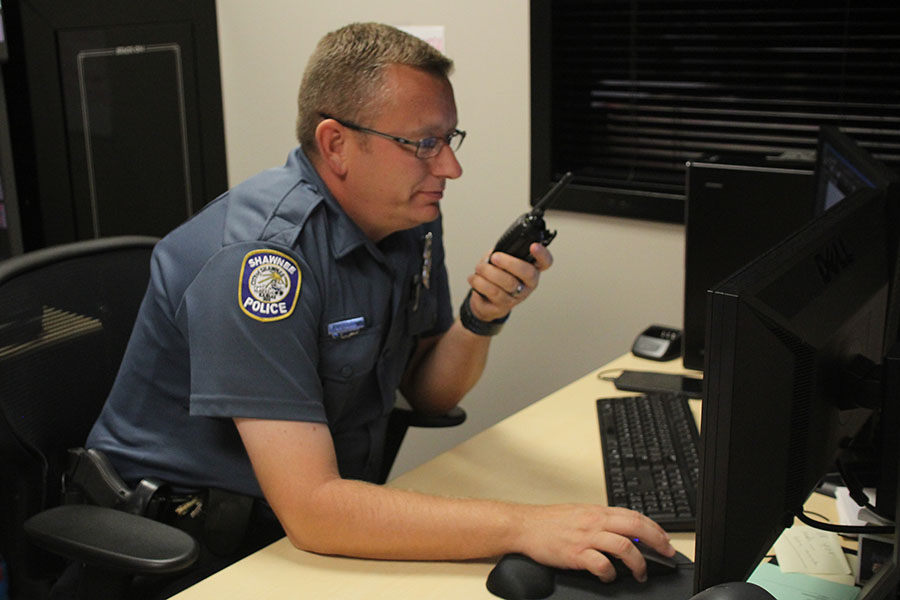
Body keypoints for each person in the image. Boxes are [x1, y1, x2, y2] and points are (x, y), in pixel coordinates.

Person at [85, 21, 674, 592]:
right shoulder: (260, 263)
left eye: (449, 139)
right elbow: (314, 510)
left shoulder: (406, 221)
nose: (450, 167)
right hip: (192, 553)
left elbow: (429, 393)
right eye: (423, 144)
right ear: (336, 143)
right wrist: (523, 524)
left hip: (308, 527)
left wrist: (481, 316)